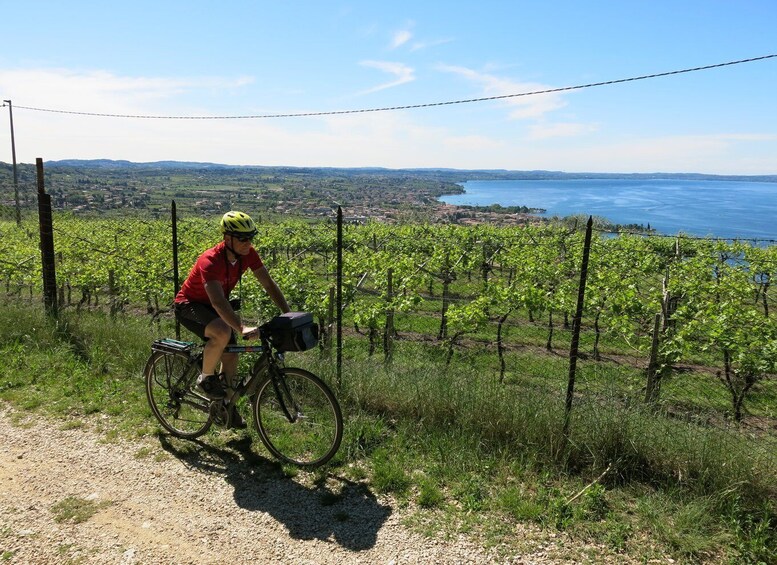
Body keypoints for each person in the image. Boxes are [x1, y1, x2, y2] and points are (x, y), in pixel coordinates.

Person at [174, 211, 290, 415]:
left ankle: (226, 407)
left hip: (213, 306)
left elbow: (269, 285)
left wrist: (288, 313)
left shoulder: (248, 254)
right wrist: (242, 327)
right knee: (222, 332)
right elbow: (218, 302)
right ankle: (205, 377)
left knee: (232, 354)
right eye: (243, 239)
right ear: (227, 239)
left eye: (251, 238)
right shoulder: (210, 261)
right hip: (189, 305)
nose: (248, 243)